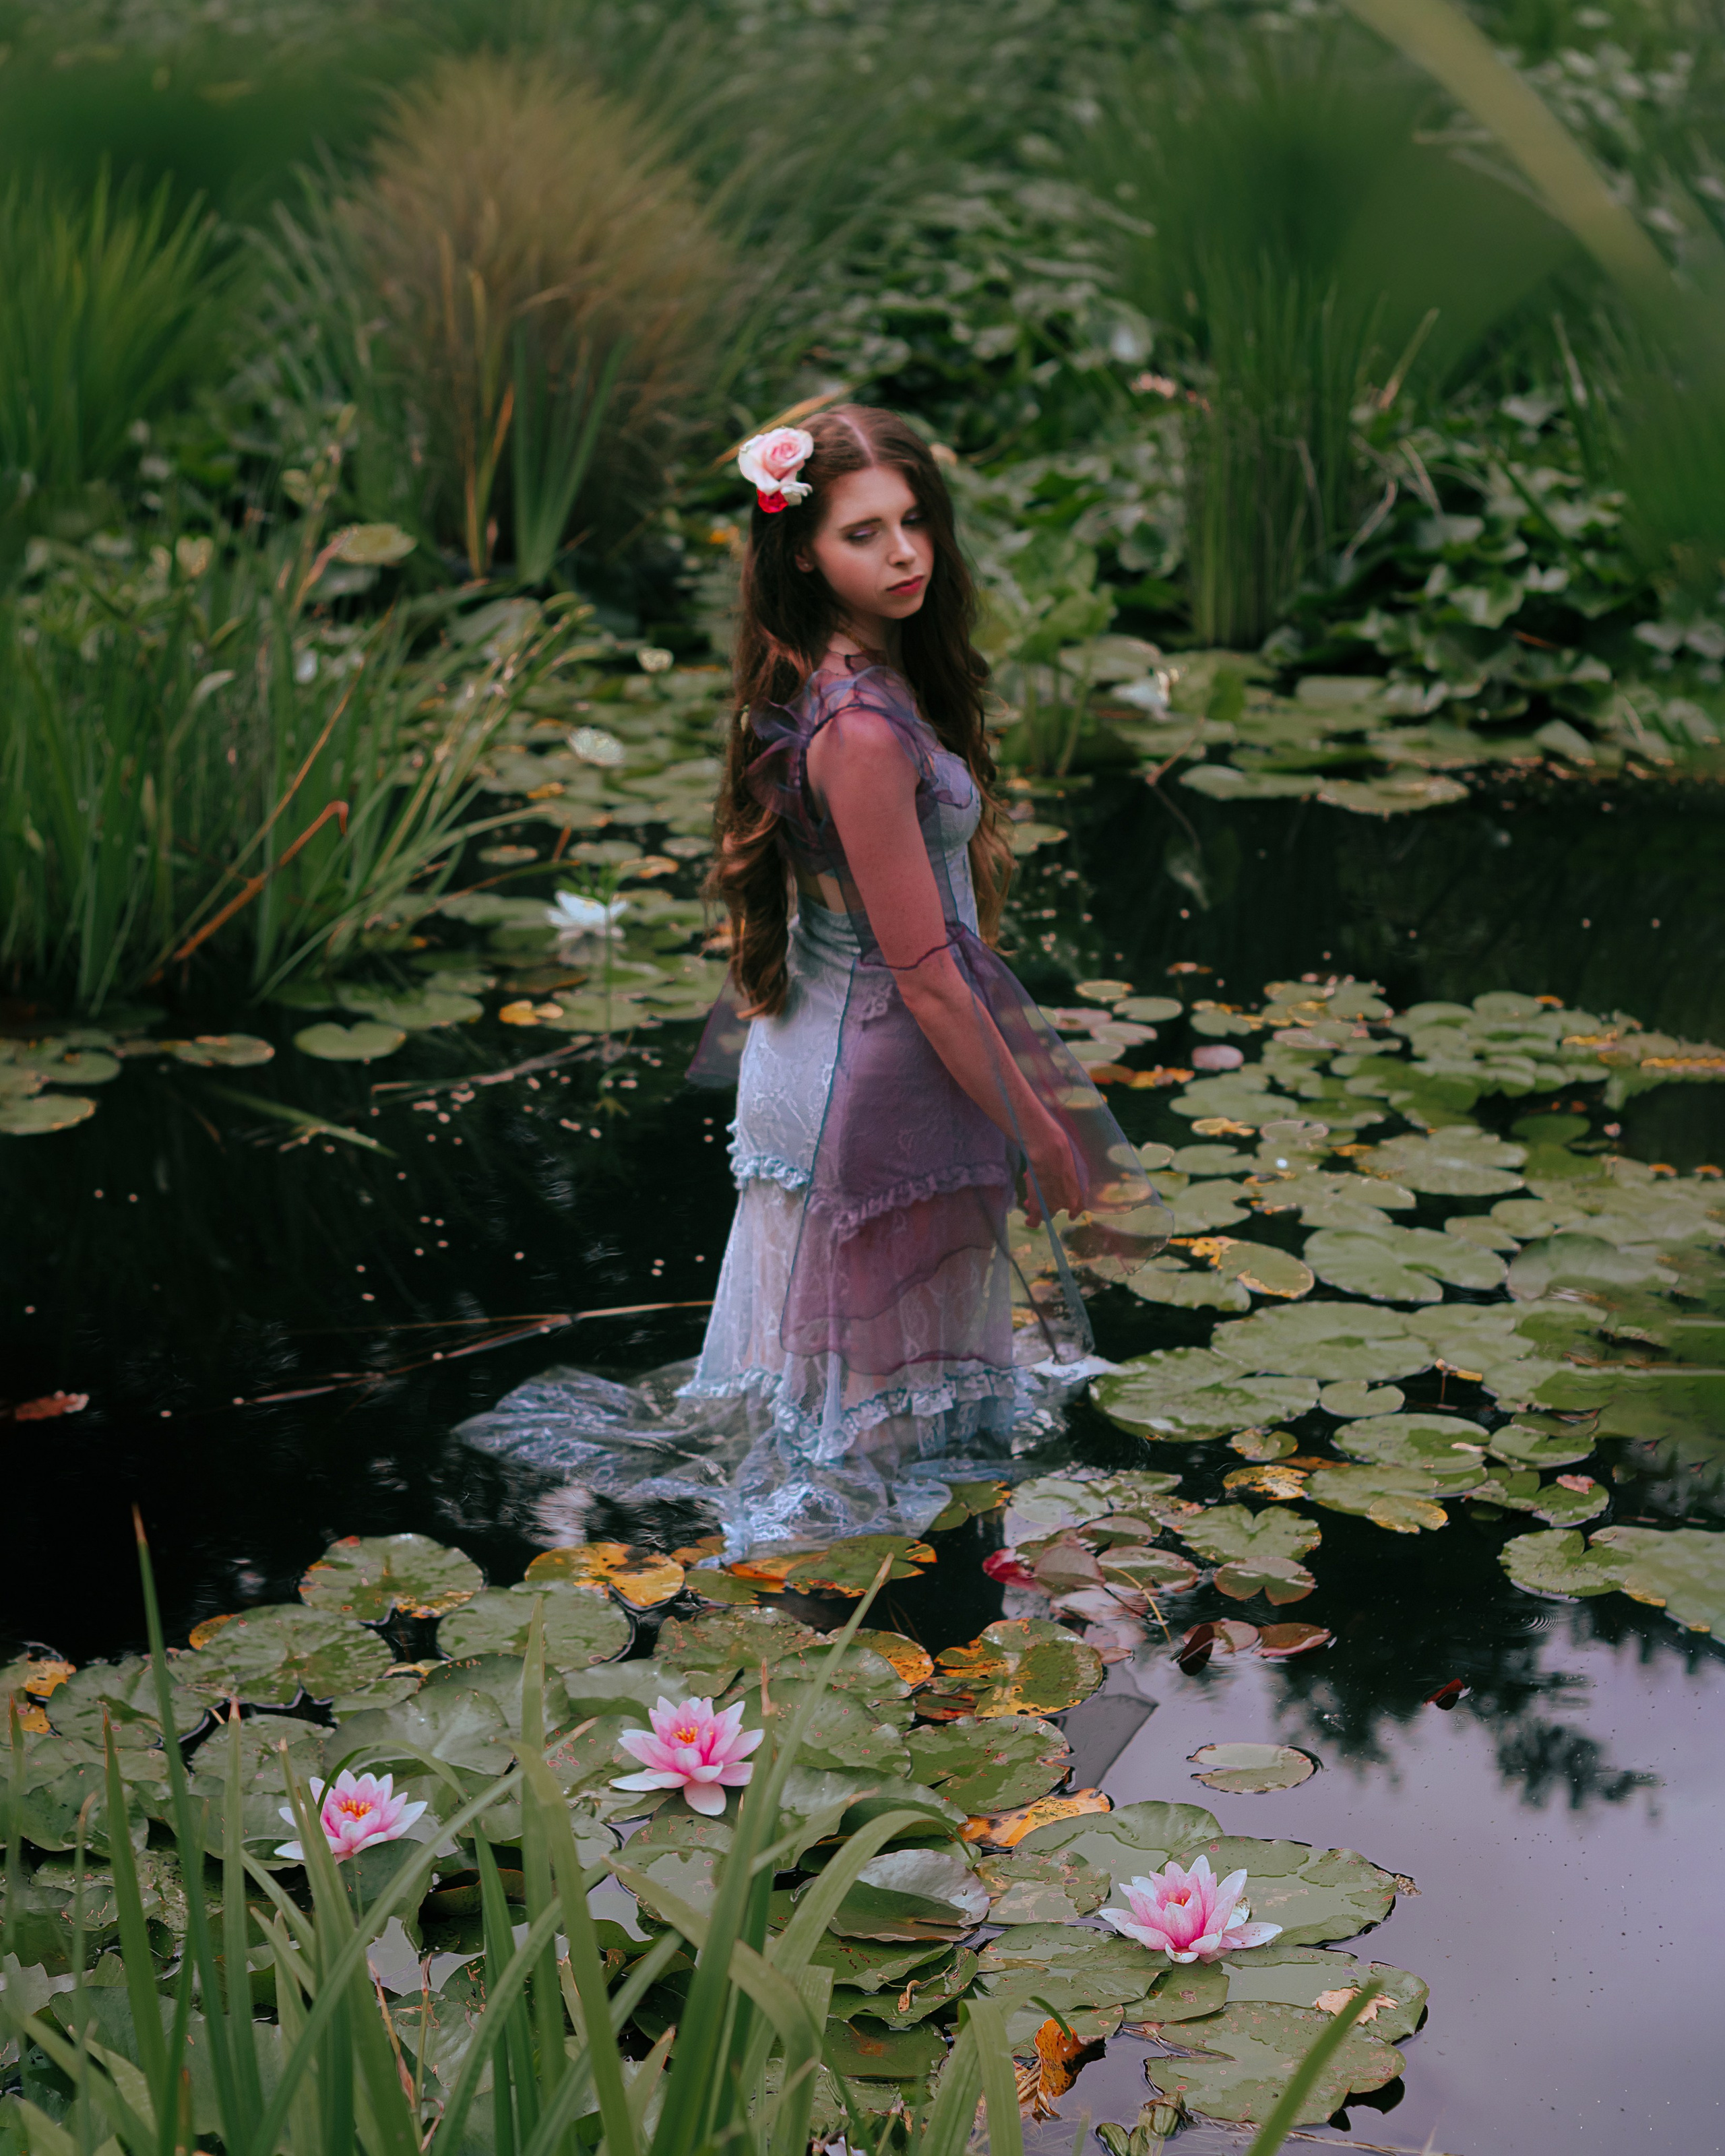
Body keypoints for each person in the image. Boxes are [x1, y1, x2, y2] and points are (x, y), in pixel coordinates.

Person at [681, 405, 1168, 1543]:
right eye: (865, 533)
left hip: (820, 1047)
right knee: (879, 1450)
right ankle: (869, 1645)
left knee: (841, 1405)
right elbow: (930, 974)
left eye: (914, 523)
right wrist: (1042, 1130)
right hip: (884, 1075)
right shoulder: (857, 731)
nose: (903, 554)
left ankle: (864, 1625)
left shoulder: (826, 680)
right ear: (803, 549)